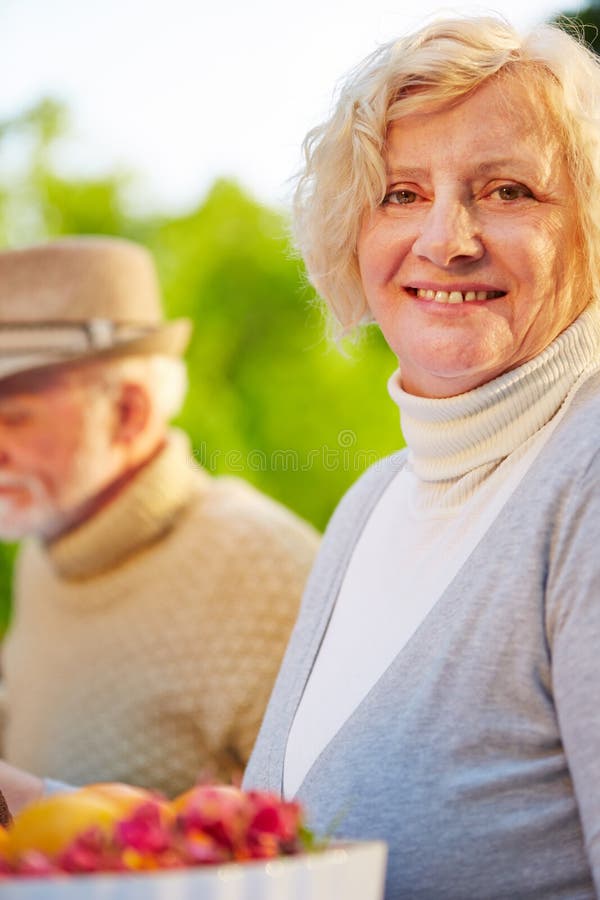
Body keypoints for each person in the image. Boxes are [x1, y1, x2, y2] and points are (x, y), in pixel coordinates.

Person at [244, 15, 600, 899]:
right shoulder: (374, 502)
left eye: (509, 190)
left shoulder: (587, 481)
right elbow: (280, 853)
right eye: (400, 193)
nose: (447, 239)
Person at [0, 236, 319, 800]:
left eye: (15, 418)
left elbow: (329, 843)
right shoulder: (45, 552)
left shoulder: (268, 572)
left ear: (128, 412)